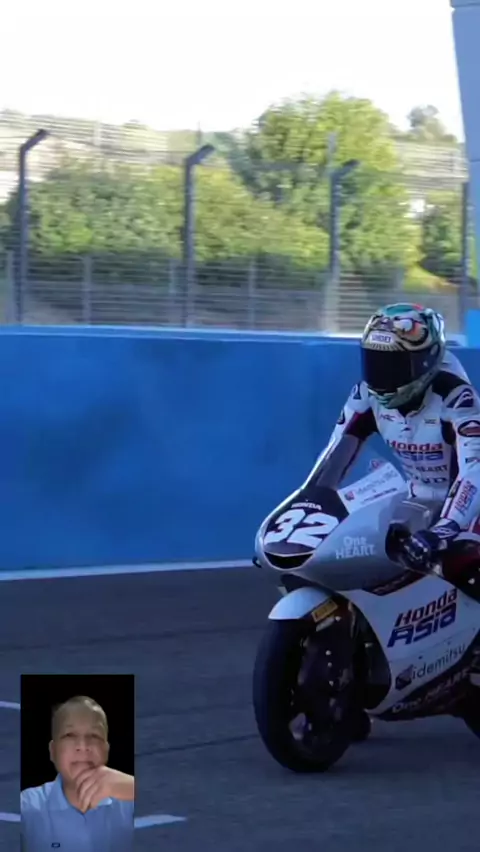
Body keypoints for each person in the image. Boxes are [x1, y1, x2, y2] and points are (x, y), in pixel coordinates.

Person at [322, 302, 480, 592]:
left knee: (461, 565)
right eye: (375, 363)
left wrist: (444, 530)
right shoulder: (365, 393)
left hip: (469, 505)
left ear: (426, 362)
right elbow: (334, 455)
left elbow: (475, 471)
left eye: (394, 365)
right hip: (417, 500)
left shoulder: (457, 398)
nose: (381, 376)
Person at [21, 695, 135, 852]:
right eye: (69, 735)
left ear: (106, 750)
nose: (83, 746)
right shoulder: (26, 808)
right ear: (53, 751)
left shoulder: (131, 802)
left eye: (94, 736)